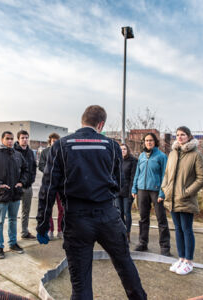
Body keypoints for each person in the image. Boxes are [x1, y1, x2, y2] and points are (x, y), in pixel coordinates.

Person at [36, 105, 147, 300]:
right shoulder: (112, 146)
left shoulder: (61, 146)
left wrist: (43, 224)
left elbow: (48, 188)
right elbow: (119, 184)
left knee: (80, 283)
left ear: (82, 121)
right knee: (125, 266)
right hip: (108, 216)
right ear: (101, 124)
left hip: (76, 219)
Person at [160, 126, 203, 275]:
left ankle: (189, 261)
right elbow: (167, 174)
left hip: (185, 199)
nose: (179, 137)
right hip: (172, 199)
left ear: (189, 136)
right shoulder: (173, 154)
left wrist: (186, 192)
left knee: (187, 229)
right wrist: (165, 188)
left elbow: (202, 178)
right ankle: (181, 258)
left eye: (183, 135)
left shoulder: (196, 155)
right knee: (178, 229)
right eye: (177, 135)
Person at [0, 131, 29, 258]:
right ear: (2, 139)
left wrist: (21, 182)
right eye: (7, 139)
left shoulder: (18, 155)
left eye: (12, 139)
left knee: (13, 220)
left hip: (15, 194)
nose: (10, 141)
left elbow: (26, 170)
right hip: (1, 194)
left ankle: (13, 243)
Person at [131, 132, 171, 256]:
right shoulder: (142, 156)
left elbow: (166, 175)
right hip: (142, 190)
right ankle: (142, 243)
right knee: (143, 219)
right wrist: (134, 188)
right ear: (144, 142)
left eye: (151, 141)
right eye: (147, 141)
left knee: (161, 219)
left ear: (155, 142)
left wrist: (162, 193)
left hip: (156, 191)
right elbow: (138, 173)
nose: (149, 142)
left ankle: (164, 247)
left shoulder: (161, 156)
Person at [38, 132, 64, 239]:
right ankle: (50, 230)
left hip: (60, 186)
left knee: (62, 209)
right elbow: (41, 165)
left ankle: (60, 230)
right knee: (48, 208)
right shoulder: (45, 152)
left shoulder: (62, 152)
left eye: (57, 141)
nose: (55, 143)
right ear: (50, 142)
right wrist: (51, 172)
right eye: (54, 141)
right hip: (48, 185)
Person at [14, 130, 37, 239]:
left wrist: (31, 181)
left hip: (27, 187)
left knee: (26, 211)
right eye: (22, 138)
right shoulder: (12, 151)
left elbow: (33, 168)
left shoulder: (31, 152)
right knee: (12, 212)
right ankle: (12, 237)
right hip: (15, 187)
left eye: (26, 137)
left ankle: (24, 232)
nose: (25, 140)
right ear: (18, 139)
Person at [116, 143, 138, 243]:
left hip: (128, 192)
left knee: (127, 213)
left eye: (124, 149)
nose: (122, 151)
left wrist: (132, 192)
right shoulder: (117, 160)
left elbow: (133, 178)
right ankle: (122, 232)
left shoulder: (133, 161)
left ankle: (127, 233)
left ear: (127, 150)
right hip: (118, 192)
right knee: (119, 213)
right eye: (121, 149)